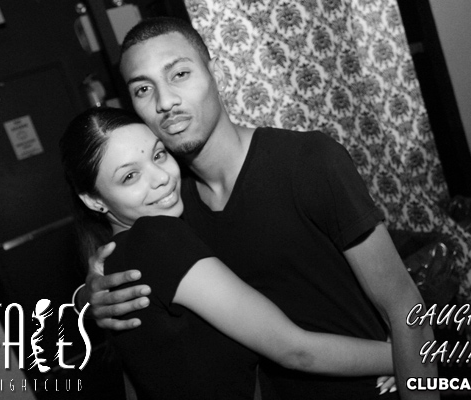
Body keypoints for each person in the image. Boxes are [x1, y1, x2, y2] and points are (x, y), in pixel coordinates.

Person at [76, 17, 438, 400]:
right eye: (143, 89)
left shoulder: (307, 162)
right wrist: (88, 297)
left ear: (214, 73)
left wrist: (406, 367)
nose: (165, 101)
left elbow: (405, 309)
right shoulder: (167, 202)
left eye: (180, 73)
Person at [61, 107, 397, 399]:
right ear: (93, 199)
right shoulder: (158, 237)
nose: (161, 178)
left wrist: (82, 299)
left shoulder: (115, 259)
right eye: (130, 176)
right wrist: (405, 356)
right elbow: (296, 351)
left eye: (158, 155)